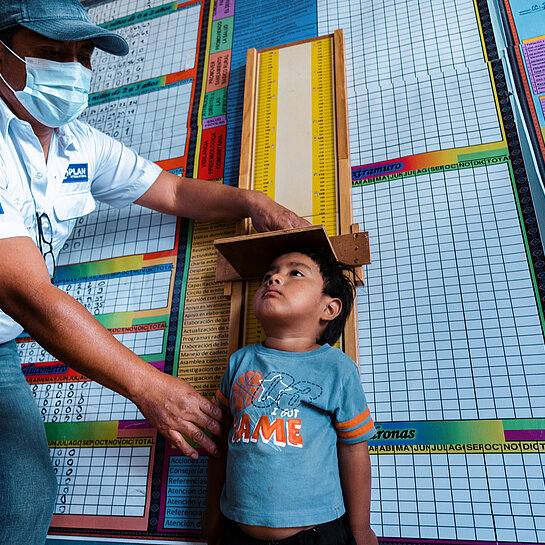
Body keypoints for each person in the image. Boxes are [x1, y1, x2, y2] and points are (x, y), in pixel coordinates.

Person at [0, 0, 308, 543]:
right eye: (51, 53)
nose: (71, 69)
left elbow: (171, 190)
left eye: (82, 56)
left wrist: (250, 200)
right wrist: (150, 388)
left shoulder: (80, 144)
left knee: (25, 499)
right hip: (16, 318)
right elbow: (27, 294)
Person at [205, 247, 378, 545]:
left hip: (317, 534)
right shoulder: (239, 362)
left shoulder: (337, 368)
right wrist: (210, 517)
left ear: (329, 309)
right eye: (268, 275)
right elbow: (220, 440)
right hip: (237, 532)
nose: (273, 278)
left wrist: (360, 529)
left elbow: (354, 449)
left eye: (294, 273)